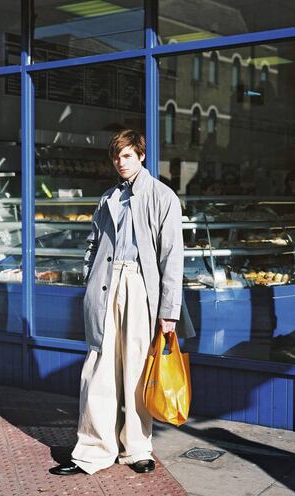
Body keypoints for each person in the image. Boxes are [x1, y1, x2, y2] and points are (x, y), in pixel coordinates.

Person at [50, 129, 195, 477]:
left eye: (128, 155)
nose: (121, 162)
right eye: (117, 156)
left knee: (135, 367)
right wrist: (89, 278)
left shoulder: (162, 196)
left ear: (141, 156)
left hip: (141, 288)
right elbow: (92, 243)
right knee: (98, 367)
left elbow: (173, 259)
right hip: (105, 284)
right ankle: (92, 451)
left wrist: (168, 313)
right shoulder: (108, 198)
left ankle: (137, 448)